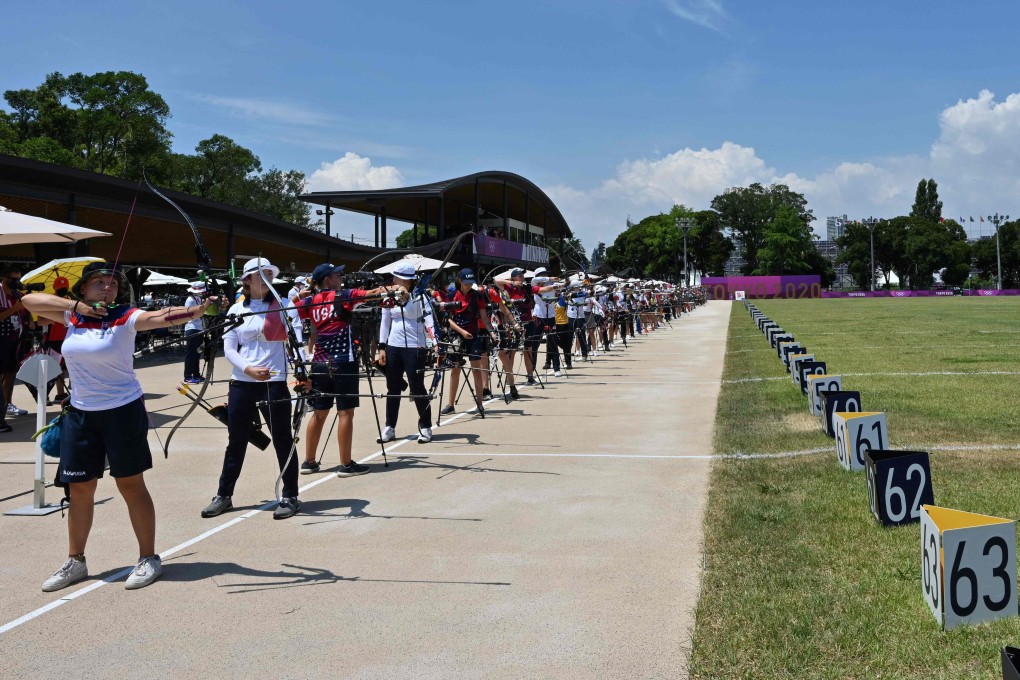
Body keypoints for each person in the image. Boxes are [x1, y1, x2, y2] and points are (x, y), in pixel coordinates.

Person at [21, 262, 216, 591]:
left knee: (131, 485)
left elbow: (161, 317)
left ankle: (148, 557)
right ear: (83, 289)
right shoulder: (72, 316)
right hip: (82, 414)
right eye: (98, 282)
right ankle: (76, 561)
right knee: (80, 489)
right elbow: (29, 302)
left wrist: (197, 310)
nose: (107, 287)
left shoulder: (125, 317)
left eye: (112, 283)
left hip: (122, 412)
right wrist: (75, 307)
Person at [200, 259, 303, 520]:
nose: (267, 277)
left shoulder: (282, 305)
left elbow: (297, 337)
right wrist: (248, 369)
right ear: (247, 280)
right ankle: (224, 495)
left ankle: (290, 495)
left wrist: (303, 371)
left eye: (270, 273)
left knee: (282, 439)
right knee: (236, 440)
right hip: (243, 382)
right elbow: (230, 348)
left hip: (274, 382)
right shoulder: (236, 309)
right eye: (261, 274)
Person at [298, 263, 392, 476]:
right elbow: (372, 294)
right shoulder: (344, 295)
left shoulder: (310, 301)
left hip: (319, 363)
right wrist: (391, 289)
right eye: (336, 274)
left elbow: (292, 307)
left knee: (320, 412)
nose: (341, 276)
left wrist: (300, 295)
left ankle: (309, 462)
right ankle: (346, 464)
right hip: (343, 362)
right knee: (345, 412)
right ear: (327, 280)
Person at [376, 262, 435, 443]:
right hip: (394, 346)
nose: (392, 280)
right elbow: (385, 321)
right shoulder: (390, 297)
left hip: (415, 347)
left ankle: (425, 427)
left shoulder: (421, 296)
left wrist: (435, 342)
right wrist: (382, 346)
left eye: (396, 277)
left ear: (406, 281)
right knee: (393, 387)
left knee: (417, 387)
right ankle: (389, 427)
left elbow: (429, 320)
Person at [441, 269, 498, 416]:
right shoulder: (452, 295)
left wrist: (492, 332)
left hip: (473, 335)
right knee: (455, 369)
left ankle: (480, 404)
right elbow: (448, 319)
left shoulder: (478, 296)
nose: (468, 286)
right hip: (456, 334)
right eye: (466, 283)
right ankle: (450, 404)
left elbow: (484, 318)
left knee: (476, 369)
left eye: (470, 283)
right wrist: (461, 332)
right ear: (459, 281)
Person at [182, 280, 208, 384]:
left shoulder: (198, 299)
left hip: (199, 327)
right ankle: (187, 376)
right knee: (191, 353)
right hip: (192, 328)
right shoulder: (190, 300)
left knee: (197, 352)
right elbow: (187, 314)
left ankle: (196, 374)